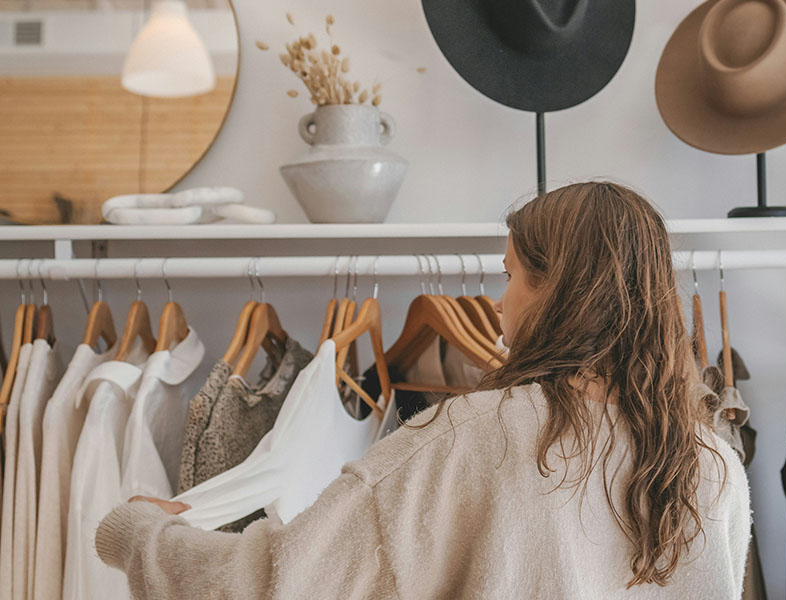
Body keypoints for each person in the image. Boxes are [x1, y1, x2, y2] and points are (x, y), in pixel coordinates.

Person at [95, 181, 751, 598]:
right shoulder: (714, 460)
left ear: (559, 292)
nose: (500, 304)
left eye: (512, 276)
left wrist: (142, 534)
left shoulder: (470, 437)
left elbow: (278, 583)